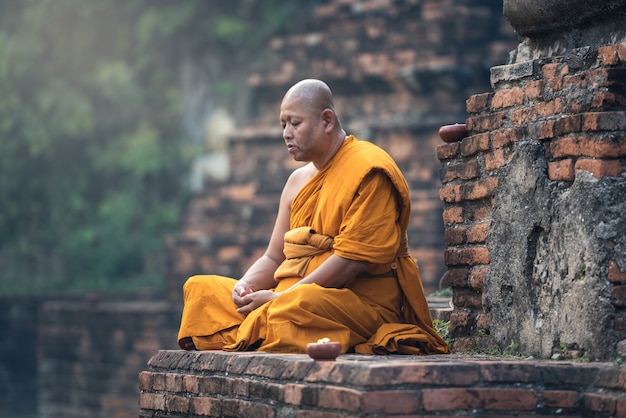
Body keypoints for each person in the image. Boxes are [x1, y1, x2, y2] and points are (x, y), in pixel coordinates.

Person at [177, 79, 449, 355]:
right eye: (283, 124)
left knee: (297, 307)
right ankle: (260, 324)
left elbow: (350, 262)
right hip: (289, 296)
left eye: (295, 124)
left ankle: (258, 326)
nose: (286, 133)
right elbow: (274, 257)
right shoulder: (297, 181)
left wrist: (281, 297)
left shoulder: (368, 170)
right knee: (201, 290)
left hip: (353, 302)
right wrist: (245, 288)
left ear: (327, 121)